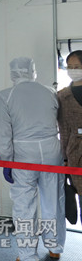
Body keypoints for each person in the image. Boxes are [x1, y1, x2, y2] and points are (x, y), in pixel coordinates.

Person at [0, 57, 65, 261]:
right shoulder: (49, 92)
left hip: (23, 154)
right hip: (52, 151)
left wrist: (6, 161)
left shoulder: (5, 96)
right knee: (53, 200)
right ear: (33, 71)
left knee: (24, 205)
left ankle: (27, 254)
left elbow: (2, 134)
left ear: (12, 73)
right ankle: (54, 246)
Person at [57, 50, 82, 220]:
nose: (73, 70)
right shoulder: (62, 96)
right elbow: (64, 129)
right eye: (70, 67)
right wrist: (64, 158)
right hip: (76, 152)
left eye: (77, 67)